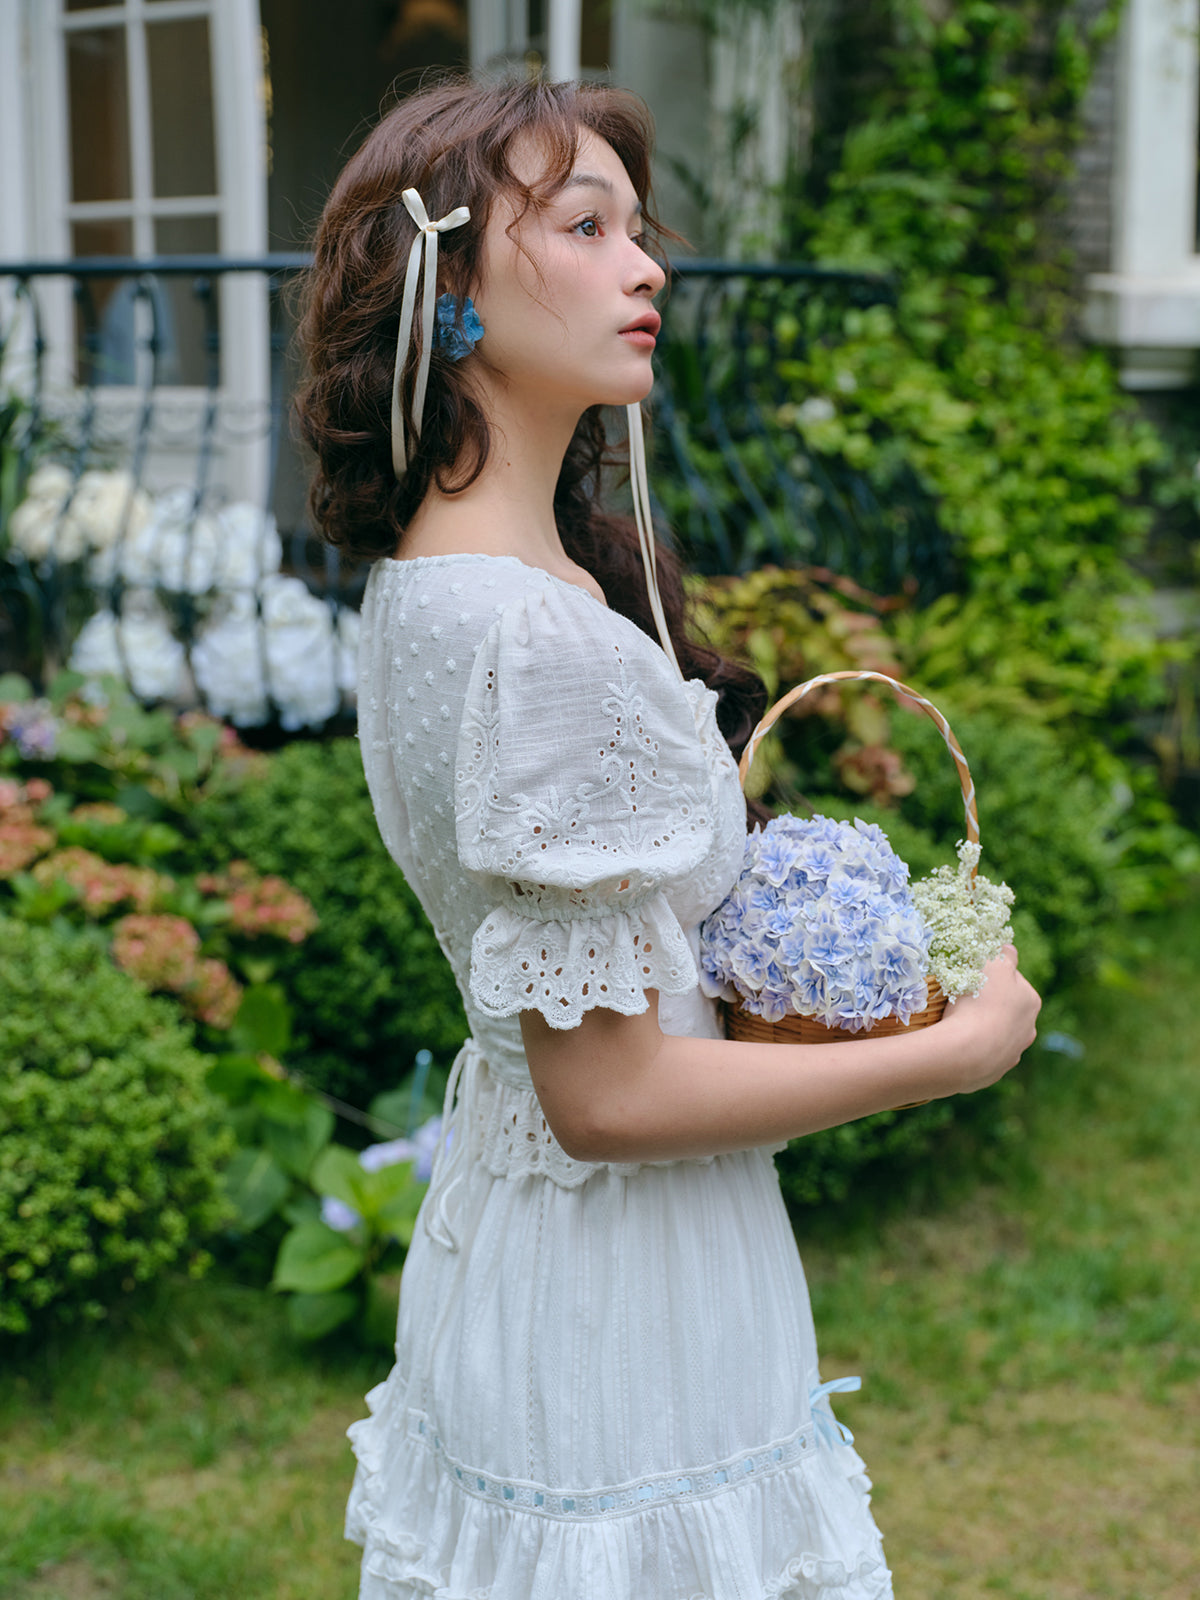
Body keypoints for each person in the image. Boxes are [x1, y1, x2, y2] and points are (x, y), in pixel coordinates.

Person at [295, 73, 1041, 1600]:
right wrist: (954, 1049)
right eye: (585, 225)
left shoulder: (429, 593)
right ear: (450, 293)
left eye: (642, 228)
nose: (649, 266)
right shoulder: (538, 637)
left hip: (512, 1238)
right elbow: (611, 1094)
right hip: (621, 1297)